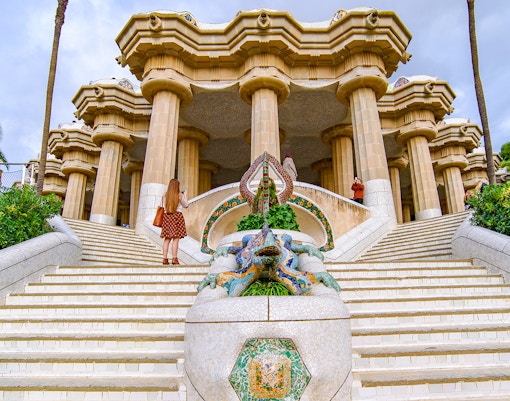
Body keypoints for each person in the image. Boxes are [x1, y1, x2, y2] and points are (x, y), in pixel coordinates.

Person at [161, 178, 188, 265]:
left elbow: (162, 206)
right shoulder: (180, 195)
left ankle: (165, 259)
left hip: (167, 217)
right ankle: (174, 259)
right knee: (175, 239)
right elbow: (186, 205)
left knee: (167, 239)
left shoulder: (165, 195)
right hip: (177, 217)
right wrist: (185, 196)